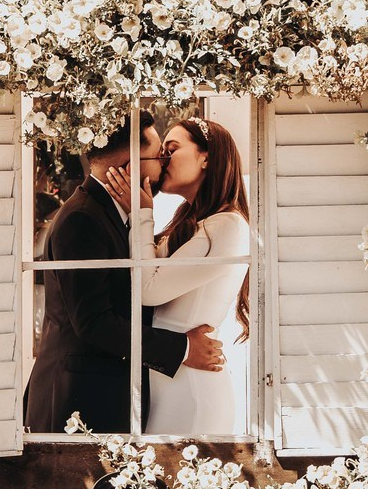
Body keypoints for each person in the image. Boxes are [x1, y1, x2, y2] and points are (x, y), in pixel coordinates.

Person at [25, 119, 225, 434]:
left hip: (105, 396)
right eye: (158, 156)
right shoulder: (82, 219)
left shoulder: (113, 214)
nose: (164, 163)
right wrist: (182, 349)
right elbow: (94, 322)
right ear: (132, 167)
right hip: (79, 401)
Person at [98, 115, 252, 435]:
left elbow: (148, 289)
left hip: (192, 391)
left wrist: (142, 215)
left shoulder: (226, 226)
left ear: (206, 157)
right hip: (169, 379)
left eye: (172, 148)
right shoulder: (193, 223)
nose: (163, 158)